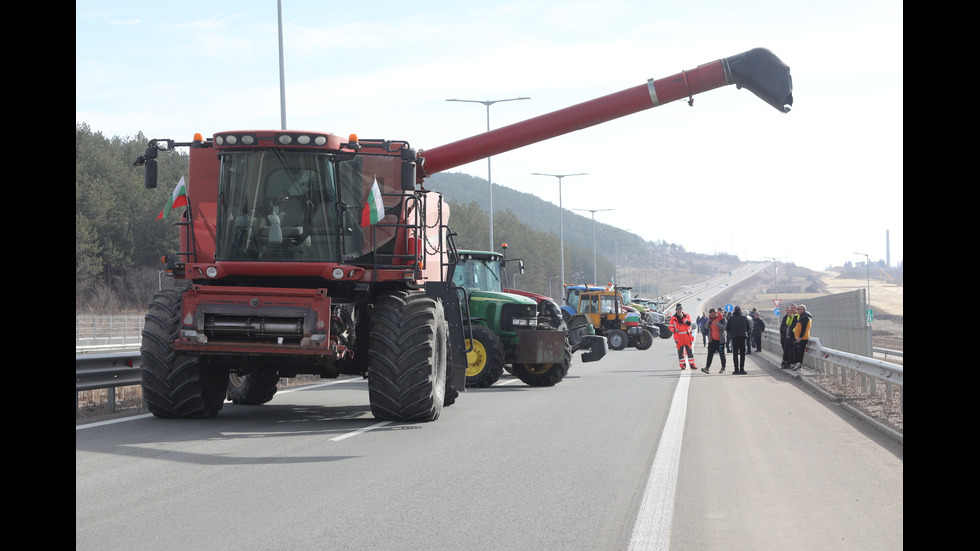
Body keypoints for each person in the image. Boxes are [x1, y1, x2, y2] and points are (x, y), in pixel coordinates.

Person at [669, 304, 698, 370]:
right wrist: (674, 330)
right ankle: (682, 365)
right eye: (678, 310)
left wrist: (682, 317)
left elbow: (689, 323)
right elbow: (670, 327)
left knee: (689, 352)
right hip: (679, 337)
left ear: (682, 310)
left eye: (680, 310)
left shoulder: (686, 315)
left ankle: (692, 365)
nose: (679, 311)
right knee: (680, 353)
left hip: (687, 336)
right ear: (676, 310)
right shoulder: (673, 318)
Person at [701, 309, 727, 373]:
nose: (712, 316)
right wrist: (709, 321)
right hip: (712, 341)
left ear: (716, 313)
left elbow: (725, 328)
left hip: (720, 341)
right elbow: (706, 327)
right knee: (710, 354)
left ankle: (723, 368)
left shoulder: (722, 319)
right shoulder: (710, 319)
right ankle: (707, 368)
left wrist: (718, 324)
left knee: (721, 354)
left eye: (713, 315)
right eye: (710, 315)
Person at [726, 305, 750, 374]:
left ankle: (736, 370)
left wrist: (732, 332)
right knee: (742, 354)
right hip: (743, 337)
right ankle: (742, 369)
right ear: (740, 311)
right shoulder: (744, 318)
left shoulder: (731, 318)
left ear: (734, 311)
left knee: (735, 354)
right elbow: (748, 328)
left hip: (734, 337)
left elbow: (728, 328)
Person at [791, 304, 813, 371]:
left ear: (803, 310)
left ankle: (799, 363)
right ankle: (797, 364)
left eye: (798, 309)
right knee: (795, 350)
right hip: (800, 337)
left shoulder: (804, 317)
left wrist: (800, 337)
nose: (797, 310)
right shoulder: (802, 316)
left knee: (799, 351)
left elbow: (804, 328)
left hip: (802, 338)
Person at [780, 304, 798, 369]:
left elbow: (795, 326)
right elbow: (788, 324)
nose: (790, 310)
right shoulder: (788, 317)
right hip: (787, 336)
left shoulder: (797, 316)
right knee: (786, 350)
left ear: (796, 309)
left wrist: (792, 333)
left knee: (790, 351)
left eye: (792, 308)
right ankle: (785, 362)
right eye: (790, 309)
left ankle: (789, 363)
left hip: (792, 337)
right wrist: (790, 317)